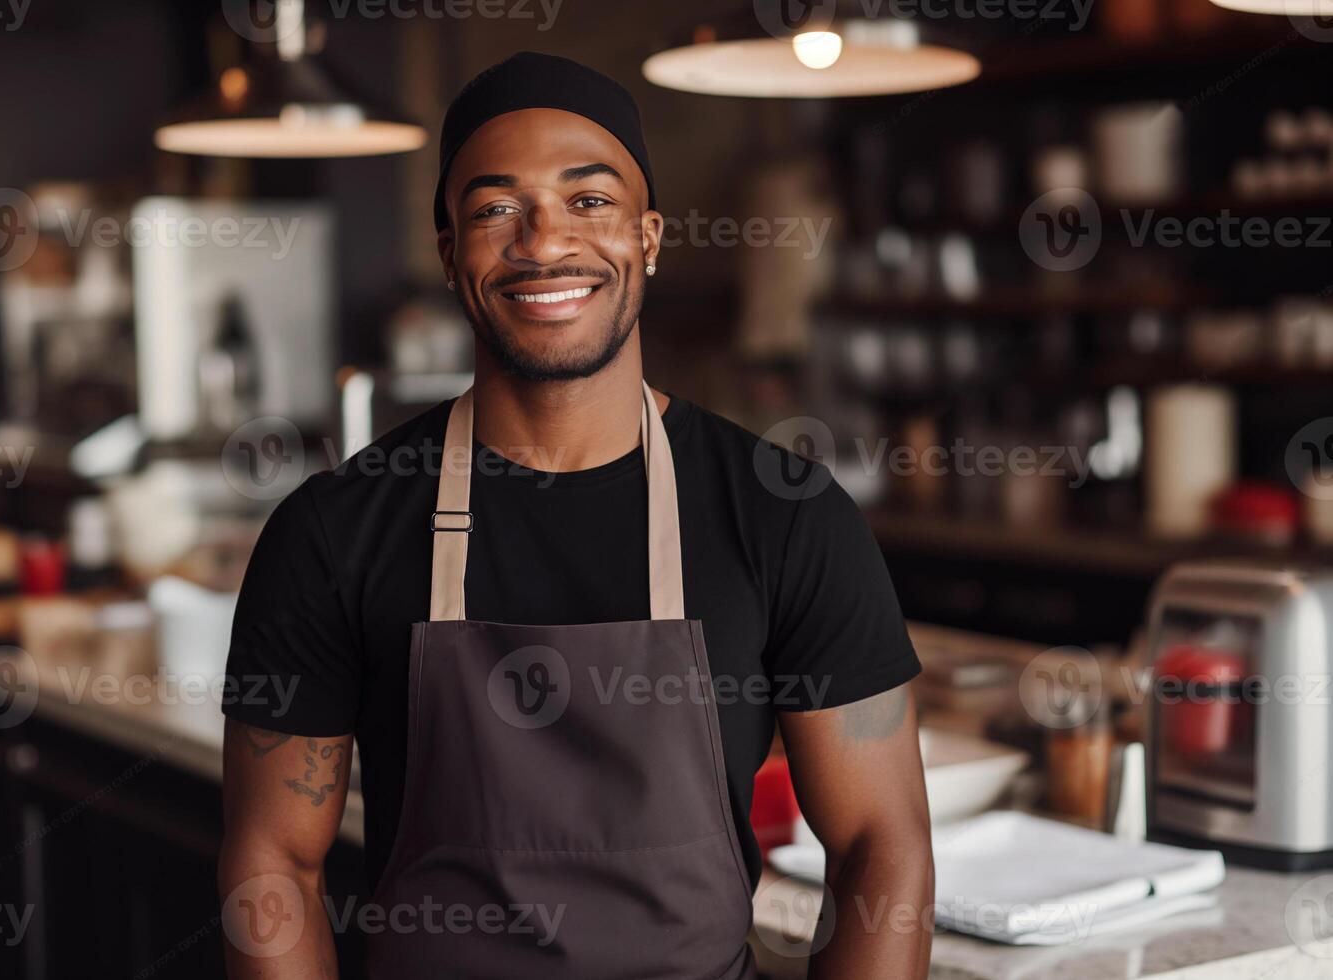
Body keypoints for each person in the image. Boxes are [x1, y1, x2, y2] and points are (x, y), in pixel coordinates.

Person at [219, 51, 932, 979]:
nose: (544, 241)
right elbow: (275, 861)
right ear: (448, 253)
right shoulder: (331, 531)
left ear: (650, 236)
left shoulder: (784, 516)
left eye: (589, 201)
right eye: (493, 208)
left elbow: (883, 845)